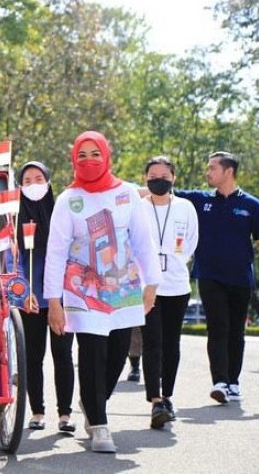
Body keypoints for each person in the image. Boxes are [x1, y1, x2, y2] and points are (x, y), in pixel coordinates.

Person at [44, 131, 161, 453]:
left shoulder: (126, 194)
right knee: (93, 354)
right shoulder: (69, 199)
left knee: (118, 354)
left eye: (96, 154)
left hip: (123, 288)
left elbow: (142, 242)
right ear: (74, 160)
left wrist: (153, 284)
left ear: (106, 156)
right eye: (82, 155)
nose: (89, 160)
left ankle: (92, 401)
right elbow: (55, 253)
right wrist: (54, 302)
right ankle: (99, 425)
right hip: (82, 290)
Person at [174, 151, 259, 403]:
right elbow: (164, 192)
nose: (207, 172)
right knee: (218, 327)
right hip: (209, 276)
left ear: (228, 171)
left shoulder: (252, 205)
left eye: (212, 168)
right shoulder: (200, 200)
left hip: (241, 279)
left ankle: (233, 382)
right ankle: (219, 381)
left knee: (236, 332)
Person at [15, 161, 76, 434]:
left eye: (38, 178)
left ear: (49, 182)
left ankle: (65, 415)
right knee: (33, 357)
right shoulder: (13, 218)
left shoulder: (62, 214)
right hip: (30, 301)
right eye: (26, 181)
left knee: (63, 354)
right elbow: (11, 259)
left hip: (60, 299)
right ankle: (37, 412)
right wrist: (22, 292)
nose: (33, 185)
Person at [138, 156, 199, 428]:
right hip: (145, 287)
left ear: (173, 178)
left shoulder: (185, 207)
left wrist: (172, 261)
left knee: (172, 343)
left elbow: (191, 243)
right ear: (145, 178)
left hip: (176, 284)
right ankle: (155, 400)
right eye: (153, 175)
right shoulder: (138, 207)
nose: (158, 179)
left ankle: (168, 395)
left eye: (164, 175)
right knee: (152, 342)